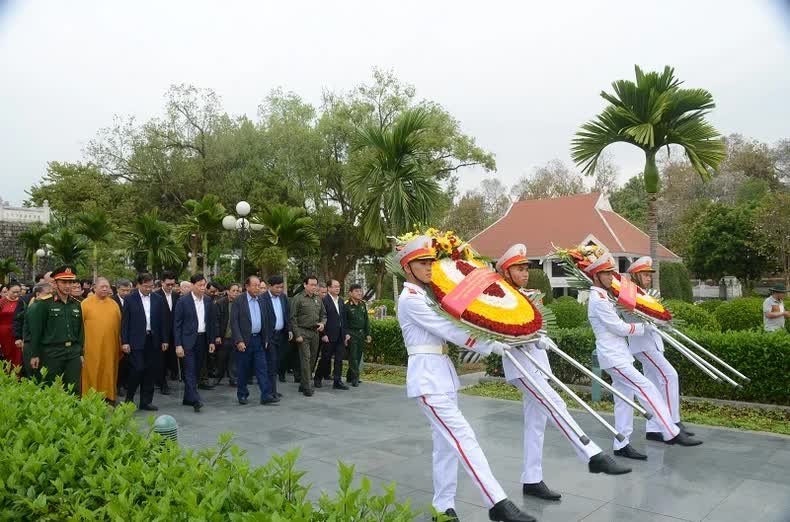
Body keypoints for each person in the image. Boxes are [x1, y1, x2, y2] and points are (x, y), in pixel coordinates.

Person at [396, 235, 535, 522]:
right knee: (463, 437)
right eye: (421, 263)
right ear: (407, 268)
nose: (428, 268)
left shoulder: (427, 296)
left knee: (446, 444)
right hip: (427, 379)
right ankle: (497, 502)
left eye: (430, 262)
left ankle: (442, 506)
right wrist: (489, 343)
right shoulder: (410, 300)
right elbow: (448, 328)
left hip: (442, 375)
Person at [496, 244, 630, 501]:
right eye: (518, 268)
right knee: (556, 404)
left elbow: (534, 325)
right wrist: (526, 339)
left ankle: (532, 479)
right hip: (521, 365)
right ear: (506, 271)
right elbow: (500, 331)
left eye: (526, 268)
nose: (525, 272)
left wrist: (540, 337)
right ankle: (592, 455)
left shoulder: (528, 295)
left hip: (538, 362)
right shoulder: (500, 297)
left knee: (537, 424)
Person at [586, 252, 702, 460]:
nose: (611, 278)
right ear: (596, 276)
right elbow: (619, 327)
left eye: (612, 273)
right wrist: (645, 326)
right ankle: (671, 431)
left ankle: (621, 444)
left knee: (624, 399)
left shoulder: (605, 297)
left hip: (619, 355)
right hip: (613, 356)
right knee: (646, 387)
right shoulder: (599, 300)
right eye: (606, 274)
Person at [625, 257, 697, 442]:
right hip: (643, 345)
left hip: (653, 343)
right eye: (645, 275)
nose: (649, 278)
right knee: (670, 375)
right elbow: (632, 317)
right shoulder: (628, 295)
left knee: (655, 385)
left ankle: (654, 429)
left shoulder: (646, 294)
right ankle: (673, 423)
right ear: (635, 276)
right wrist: (658, 319)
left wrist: (663, 320)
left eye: (649, 275)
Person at [27, 266, 84, 393]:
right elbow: (36, 331)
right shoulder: (43, 303)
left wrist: (80, 352)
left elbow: (80, 331)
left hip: (73, 352)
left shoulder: (76, 304)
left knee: (73, 389)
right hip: (51, 352)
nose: (68, 286)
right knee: (50, 388)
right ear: (55, 283)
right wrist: (34, 354)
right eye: (64, 282)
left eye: (70, 282)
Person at [121, 273, 167, 411]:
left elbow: (163, 321)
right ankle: (129, 398)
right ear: (138, 285)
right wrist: (125, 341)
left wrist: (164, 339)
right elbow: (125, 322)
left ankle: (146, 401)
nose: (148, 289)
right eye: (146, 286)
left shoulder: (158, 299)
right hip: (136, 340)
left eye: (151, 287)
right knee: (138, 369)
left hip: (153, 340)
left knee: (151, 371)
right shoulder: (130, 299)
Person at [230, 276, 279, 405]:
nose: (257, 288)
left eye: (259, 285)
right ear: (247, 286)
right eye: (255, 285)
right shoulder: (239, 301)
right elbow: (234, 323)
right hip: (245, 341)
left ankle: (266, 395)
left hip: (259, 340)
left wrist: (267, 338)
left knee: (262, 368)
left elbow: (267, 320)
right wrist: (239, 340)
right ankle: (242, 394)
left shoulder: (262, 300)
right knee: (243, 369)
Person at [174, 274, 216, 413]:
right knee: (190, 370)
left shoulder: (209, 301)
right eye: (199, 285)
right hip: (187, 341)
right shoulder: (183, 301)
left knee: (197, 370)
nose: (203, 288)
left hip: (202, 340)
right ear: (192, 285)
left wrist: (211, 341)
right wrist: (178, 344)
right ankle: (196, 400)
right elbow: (177, 325)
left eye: (204, 285)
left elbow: (211, 323)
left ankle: (188, 398)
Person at [81, 277, 122, 403]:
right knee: (92, 371)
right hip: (91, 347)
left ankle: (109, 397)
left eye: (107, 286)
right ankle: (90, 398)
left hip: (111, 346)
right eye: (102, 286)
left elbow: (119, 326)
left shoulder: (114, 304)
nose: (105, 289)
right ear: (94, 288)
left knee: (109, 370)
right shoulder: (85, 304)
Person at [290, 276, 327, 397]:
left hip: (315, 332)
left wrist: (322, 323)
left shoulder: (318, 299)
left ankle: (303, 382)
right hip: (303, 332)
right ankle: (307, 386)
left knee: (312, 359)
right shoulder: (298, 298)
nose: (314, 287)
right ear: (305, 285)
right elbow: (293, 318)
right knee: (305, 359)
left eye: (315, 285)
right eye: (311, 284)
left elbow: (324, 315)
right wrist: (297, 334)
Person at [261, 275, 291, 397]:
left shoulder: (283, 298)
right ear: (269, 286)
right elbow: (262, 319)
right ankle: (270, 391)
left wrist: (289, 330)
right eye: (277, 287)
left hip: (281, 335)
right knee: (271, 363)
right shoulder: (262, 299)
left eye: (281, 287)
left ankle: (273, 389)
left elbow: (286, 315)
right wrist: (266, 337)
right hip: (270, 336)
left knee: (277, 363)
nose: (280, 290)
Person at [317, 279, 349, 390]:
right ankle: (318, 378)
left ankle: (337, 381)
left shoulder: (341, 301)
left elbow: (343, 319)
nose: (337, 288)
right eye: (335, 286)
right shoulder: (324, 300)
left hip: (340, 335)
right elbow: (321, 318)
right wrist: (323, 334)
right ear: (329, 288)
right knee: (325, 358)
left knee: (339, 359)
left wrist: (346, 334)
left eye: (338, 286)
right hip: (328, 335)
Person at [20, 281, 51, 379]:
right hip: (33, 346)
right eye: (47, 294)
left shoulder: (44, 307)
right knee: (35, 377)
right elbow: (35, 333)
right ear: (38, 294)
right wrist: (35, 354)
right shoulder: (35, 307)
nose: (50, 297)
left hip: (40, 346)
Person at [155, 271, 179, 392]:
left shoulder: (176, 295)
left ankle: (170, 376)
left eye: (172, 284)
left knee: (171, 357)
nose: (170, 287)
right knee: (160, 360)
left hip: (173, 332)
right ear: (162, 282)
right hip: (160, 333)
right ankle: (161, 382)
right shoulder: (156, 296)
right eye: (168, 284)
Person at [213, 282, 241, 386]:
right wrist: (217, 335)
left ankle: (233, 379)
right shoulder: (220, 303)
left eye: (237, 291)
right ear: (228, 291)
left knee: (234, 360)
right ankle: (218, 377)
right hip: (224, 336)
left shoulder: (240, 303)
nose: (236, 293)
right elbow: (216, 321)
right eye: (233, 291)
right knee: (221, 358)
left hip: (236, 337)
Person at [344, 283, 371, 387]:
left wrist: (368, 333)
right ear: (350, 293)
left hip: (361, 334)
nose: (359, 293)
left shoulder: (362, 304)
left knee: (358, 356)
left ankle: (349, 376)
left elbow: (366, 320)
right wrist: (346, 334)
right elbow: (344, 322)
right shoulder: (346, 306)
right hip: (351, 333)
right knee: (353, 357)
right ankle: (355, 378)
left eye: (360, 291)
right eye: (356, 291)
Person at [0, 282, 23, 371]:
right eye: (14, 292)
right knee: (5, 355)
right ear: (8, 290)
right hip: (3, 333)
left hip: (17, 333)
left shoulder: (21, 302)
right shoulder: (2, 302)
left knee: (17, 356)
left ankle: (16, 378)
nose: (16, 294)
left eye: (18, 292)